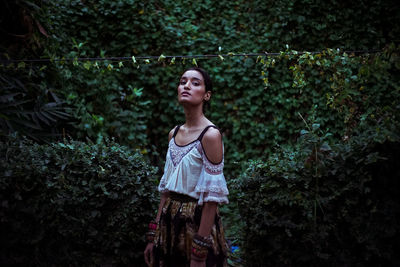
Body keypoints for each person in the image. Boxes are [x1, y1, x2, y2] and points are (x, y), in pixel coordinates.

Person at [144, 67, 230, 267]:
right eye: (183, 81)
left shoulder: (210, 135)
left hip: (197, 224)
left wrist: (199, 252)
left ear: (206, 95)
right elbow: (166, 191)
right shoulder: (173, 134)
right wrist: (153, 235)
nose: (186, 86)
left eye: (195, 83)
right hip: (168, 224)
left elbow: (211, 199)